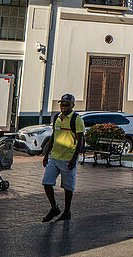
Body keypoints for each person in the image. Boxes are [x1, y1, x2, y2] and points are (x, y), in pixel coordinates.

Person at [41, 93, 84, 222]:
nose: (64, 106)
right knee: (47, 182)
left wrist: (74, 158)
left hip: (68, 158)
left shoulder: (76, 119)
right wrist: (46, 154)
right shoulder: (57, 118)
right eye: (62, 103)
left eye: (67, 104)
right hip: (54, 157)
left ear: (73, 105)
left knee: (68, 187)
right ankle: (54, 208)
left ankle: (67, 212)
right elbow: (54, 136)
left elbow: (80, 139)